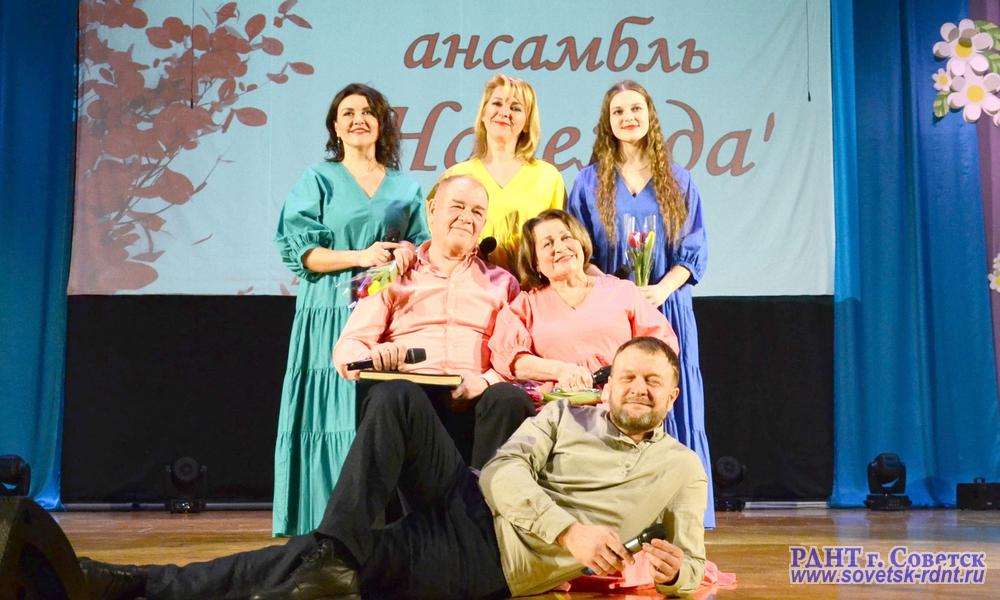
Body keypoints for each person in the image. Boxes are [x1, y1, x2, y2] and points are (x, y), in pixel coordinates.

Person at [81, 337, 707, 600]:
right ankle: (334, 553)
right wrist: (569, 532)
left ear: (673, 395)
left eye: (653, 380)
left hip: (492, 562)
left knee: (312, 559)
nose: (639, 387)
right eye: (628, 375)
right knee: (398, 396)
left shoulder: (681, 470)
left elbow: (694, 566)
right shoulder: (566, 415)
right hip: (474, 502)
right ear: (607, 385)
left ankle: (139, 585)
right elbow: (501, 474)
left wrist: (676, 572)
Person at [272, 83, 429, 536]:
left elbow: (423, 247)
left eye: (368, 112)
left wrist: (407, 252)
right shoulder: (318, 179)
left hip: (385, 315)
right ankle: (323, 524)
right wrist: (361, 256)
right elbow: (304, 255)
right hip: (329, 311)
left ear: (382, 125)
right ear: (336, 128)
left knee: (373, 416)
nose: (359, 119)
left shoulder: (406, 187)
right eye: (348, 113)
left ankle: (376, 527)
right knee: (328, 413)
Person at [566, 80, 714, 528]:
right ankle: (623, 510)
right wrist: (618, 292)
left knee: (671, 400)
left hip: (666, 308)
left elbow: (693, 251)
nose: (628, 117)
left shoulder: (679, 180)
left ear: (650, 116)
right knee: (621, 401)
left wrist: (660, 291)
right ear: (607, 122)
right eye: (618, 112)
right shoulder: (588, 182)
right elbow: (579, 252)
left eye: (635, 109)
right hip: (613, 311)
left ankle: (681, 510)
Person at [332, 174, 531, 469]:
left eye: (477, 212)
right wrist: (374, 356)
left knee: (509, 398)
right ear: (432, 210)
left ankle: (485, 494)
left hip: (476, 404)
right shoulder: (392, 273)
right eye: (457, 207)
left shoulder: (504, 283)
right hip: (412, 401)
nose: (467, 218)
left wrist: (485, 382)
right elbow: (348, 349)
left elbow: (515, 358)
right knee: (391, 394)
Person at [489, 208, 679, 393]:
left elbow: (662, 347)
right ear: (535, 262)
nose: (560, 248)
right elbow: (508, 359)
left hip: (621, 404)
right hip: (556, 407)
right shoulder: (525, 305)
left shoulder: (622, 291)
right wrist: (561, 371)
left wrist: (624, 376)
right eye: (547, 244)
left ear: (581, 243)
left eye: (566, 237)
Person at [432, 74, 565, 275]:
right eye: (497, 103)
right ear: (483, 114)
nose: (504, 113)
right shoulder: (456, 176)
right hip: (467, 287)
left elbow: (559, 241)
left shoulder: (548, 177)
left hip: (529, 288)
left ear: (527, 122)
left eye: (515, 108)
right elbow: (432, 241)